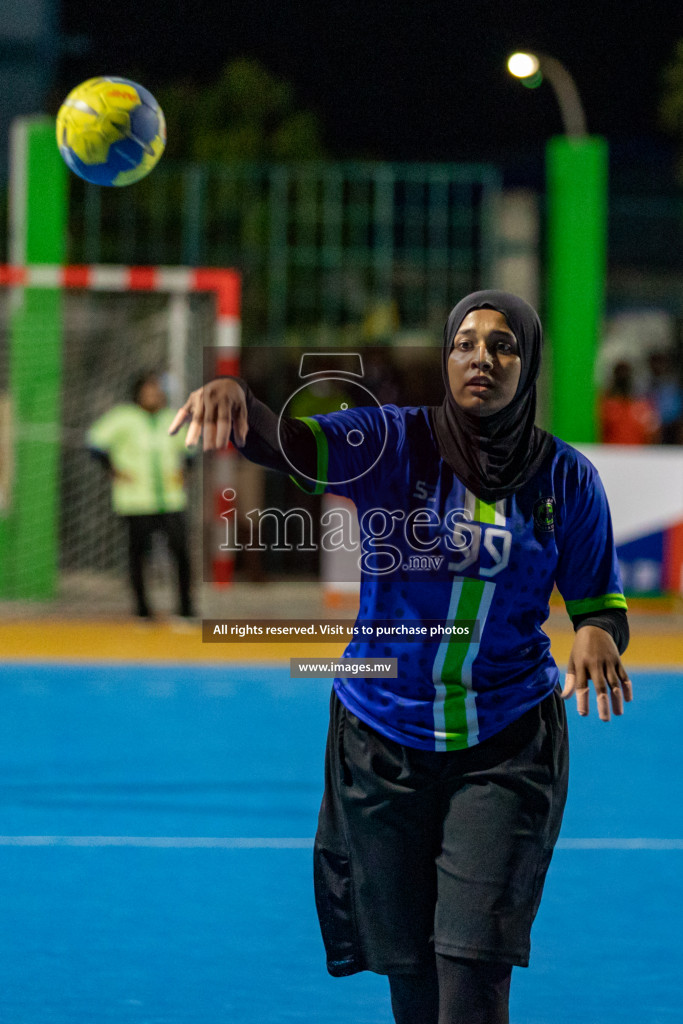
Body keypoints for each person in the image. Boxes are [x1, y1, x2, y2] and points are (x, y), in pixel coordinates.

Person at [169, 291, 632, 1024]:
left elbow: (597, 600)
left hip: (505, 745)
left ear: (529, 361)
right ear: (445, 357)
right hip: (380, 741)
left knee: (472, 971)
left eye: (502, 345)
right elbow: (292, 443)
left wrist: (597, 632)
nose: (481, 357)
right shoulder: (392, 441)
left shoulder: (566, 480)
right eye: (464, 344)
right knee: (410, 978)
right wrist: (237, 401)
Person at [88, 371, 196, 621]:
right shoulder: (123, 418)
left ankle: (186, 607)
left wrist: (185, 472)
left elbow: (190, 450)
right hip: (136, 499)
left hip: (170, 498)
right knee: (138, 554)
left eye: (156, 391)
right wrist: (113, 470)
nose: (152, 396)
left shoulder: (172, 418)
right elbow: (95, 442)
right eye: (147, 391)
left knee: (180, 551)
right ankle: (142, 609)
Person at [599, 359, 660, 445]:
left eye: (625, 373)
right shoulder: (606, 404)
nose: (623, 376)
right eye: (619, 373)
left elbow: (652, 432)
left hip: (637, 454)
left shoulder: (641, 405)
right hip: (611, 453)